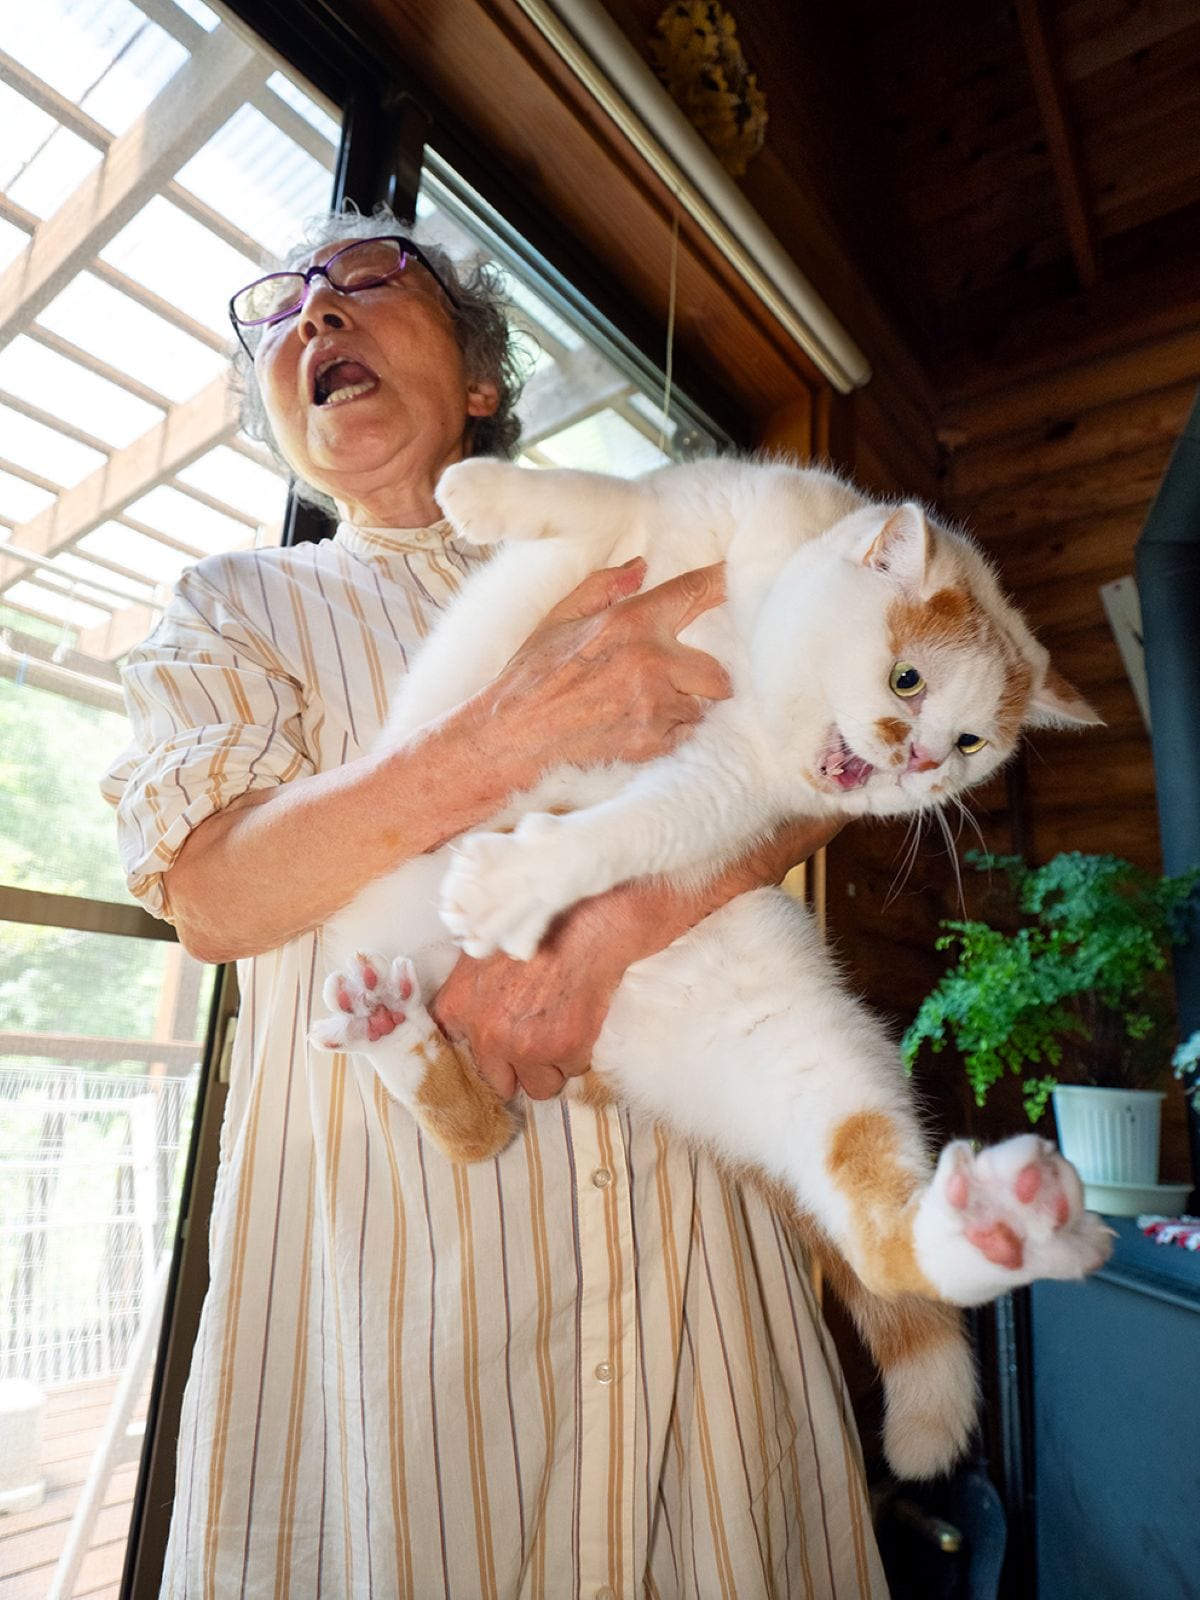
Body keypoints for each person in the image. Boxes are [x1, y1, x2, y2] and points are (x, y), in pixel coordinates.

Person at [103, 209, 889, 1598]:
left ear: (480, 379)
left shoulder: (635, 556)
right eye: (281, 310)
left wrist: (612, 931)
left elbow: (846, 746)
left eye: (363, 280)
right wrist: (505, 736)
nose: (313, 317)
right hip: (401, 1283)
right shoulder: (232, 607)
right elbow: (215, 890)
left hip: (696, 1248)